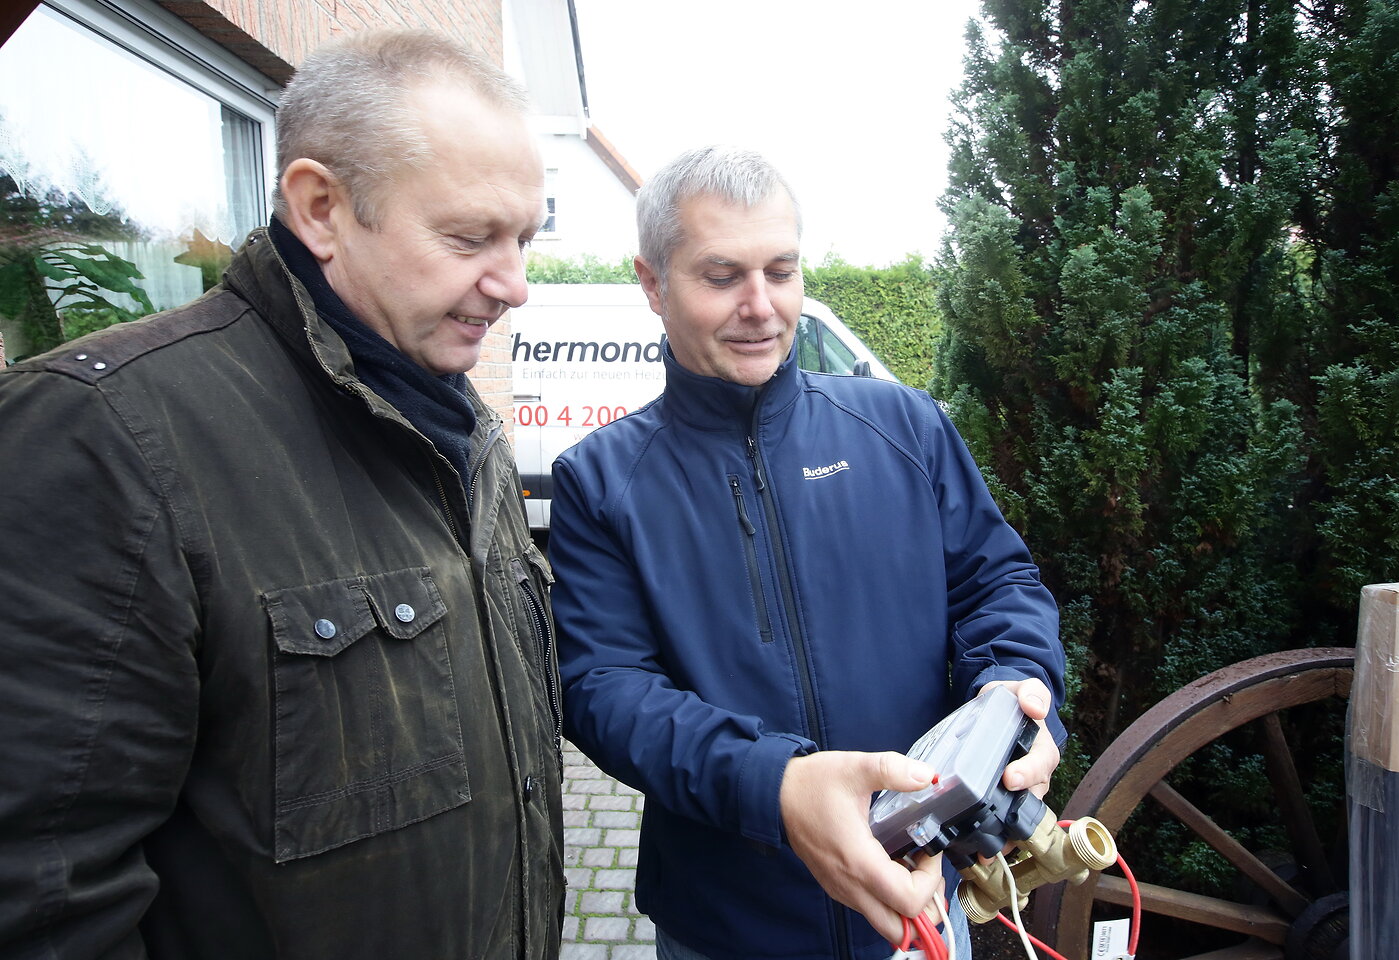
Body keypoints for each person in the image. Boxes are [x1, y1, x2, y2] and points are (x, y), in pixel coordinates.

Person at [0, 29, 564, 959]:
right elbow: (44, 898)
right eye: (470, 237)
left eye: (526, 238)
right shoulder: (101, 436)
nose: (515, 285)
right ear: (321, 207)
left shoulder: (457, 420)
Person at [547, 146, 1066, 960]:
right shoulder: (600, 480)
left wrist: (1013, 689)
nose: (761, 306)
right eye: (722, 276)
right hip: (724, 927)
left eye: (781, 271)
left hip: (920, 905)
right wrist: (777, 788)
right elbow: (603, 691)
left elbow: (996, 582)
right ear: (652, 284)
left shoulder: (905, 427)